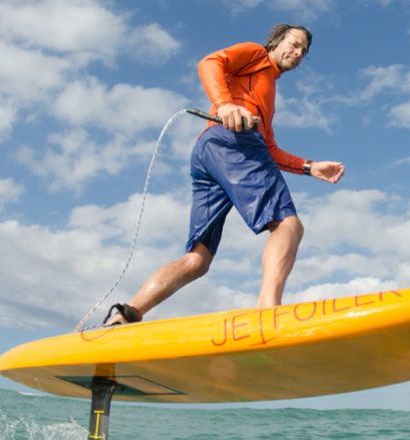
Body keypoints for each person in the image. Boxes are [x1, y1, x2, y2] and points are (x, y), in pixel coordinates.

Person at [105, 24, 345, 325]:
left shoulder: (267, 95)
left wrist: (309, 167)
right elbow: (210, 62)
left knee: (198, 259)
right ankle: (268, 312)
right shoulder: (257, 55)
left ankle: (126, 315)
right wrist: (226, 103)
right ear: (275, 42)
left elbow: (268, 148)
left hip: (210, 152)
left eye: (303, 51)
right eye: (294, 44)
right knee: (288, 224)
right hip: (231, 142)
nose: (297, 53)